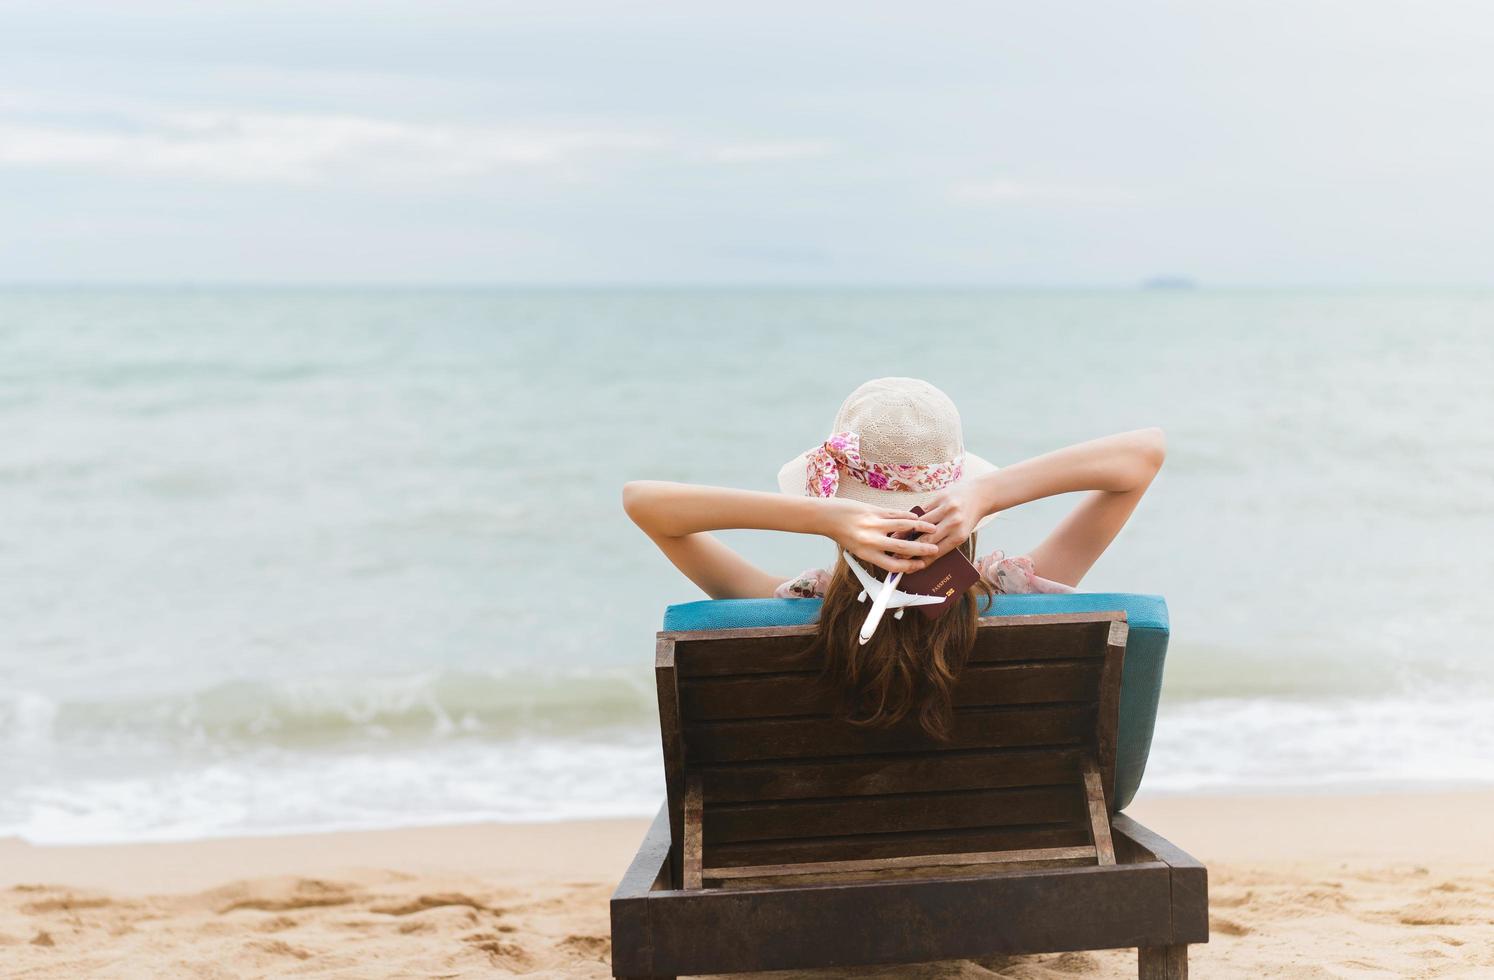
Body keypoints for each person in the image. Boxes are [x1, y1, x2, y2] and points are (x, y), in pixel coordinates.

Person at [623, 377, 1165, 738]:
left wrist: (820, 515)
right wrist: (988, 495)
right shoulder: (1016, 595)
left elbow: (645, 505)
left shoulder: (786, 613)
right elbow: (1143, 455)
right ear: (960, 502)